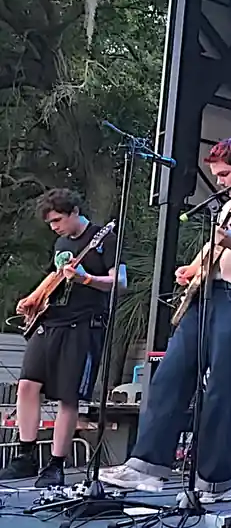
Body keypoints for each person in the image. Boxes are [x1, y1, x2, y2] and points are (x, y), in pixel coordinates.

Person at [99, 137, 231, 503]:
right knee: (172, 373)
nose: (218, 181)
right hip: (210, 296)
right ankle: (147, 467)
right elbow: (214, 252)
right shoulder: (227, 209)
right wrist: (193, 269)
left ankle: (217, 481)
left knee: (222, 387)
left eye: (224, 174)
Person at [0, 189, 125, 487]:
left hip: (83, 324)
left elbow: (119, 282)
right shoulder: (61, 243)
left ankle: (56, 463)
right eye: (50, 222)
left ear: (74, 212)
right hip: (51, 320)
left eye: (58, 220)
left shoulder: (104, 239)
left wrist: (86, 279)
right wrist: (33, 299)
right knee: (28, 385)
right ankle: (26, 455)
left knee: (68, 397)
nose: (54, 227)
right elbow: (54, 276)